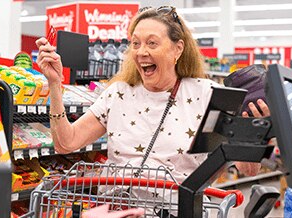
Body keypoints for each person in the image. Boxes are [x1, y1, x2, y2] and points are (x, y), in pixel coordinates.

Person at [36, 4, 268, 207]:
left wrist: (254, 133)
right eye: (135, 43)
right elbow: (66, 143)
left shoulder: (205, 94)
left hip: (180, 210)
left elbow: (248, 170)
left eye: (152, 43)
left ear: (178, 49)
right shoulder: (118, 93)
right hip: (118, 208)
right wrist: (55, 84)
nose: (141, 52)